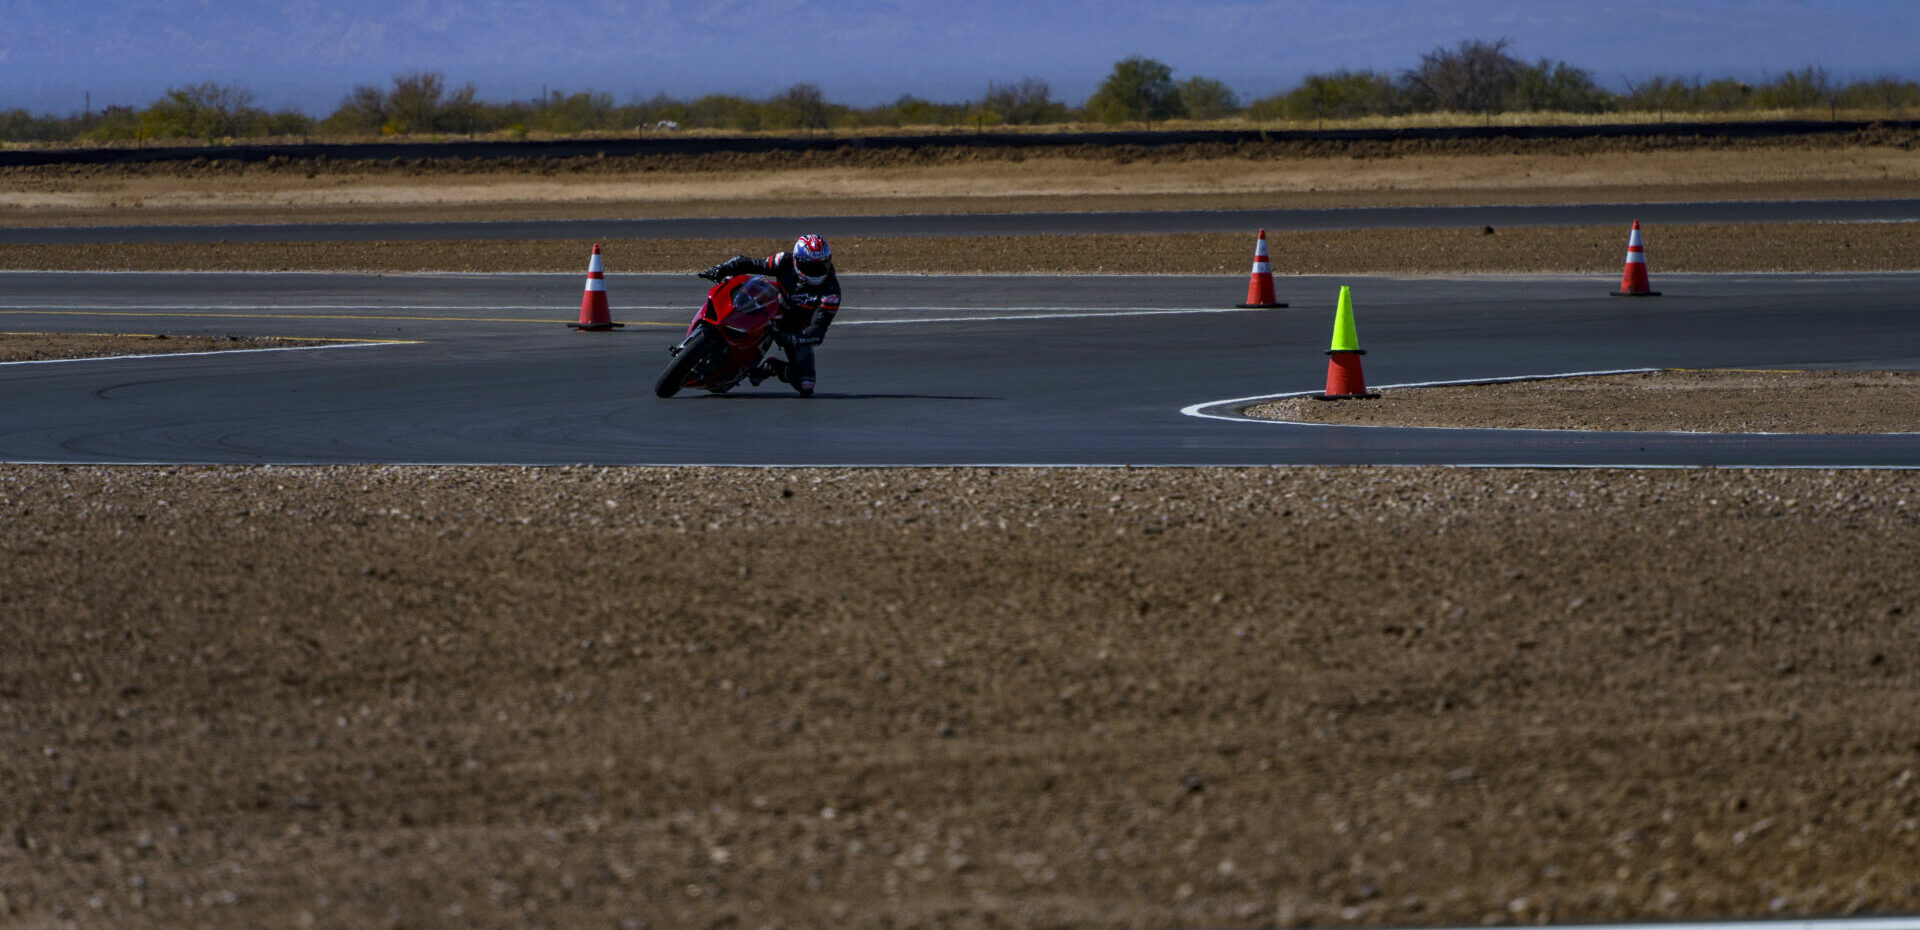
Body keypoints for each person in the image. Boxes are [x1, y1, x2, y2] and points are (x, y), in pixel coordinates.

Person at [699, 235, 841, 396]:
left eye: (821, 265)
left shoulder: (831, 292)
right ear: (797, 261)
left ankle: (771, 367)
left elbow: (818, 332)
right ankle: (711, 325)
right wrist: (722, 268)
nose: (815, 271)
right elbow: (750, 263)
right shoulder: (783, 261)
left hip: (796, 329)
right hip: (773, 305)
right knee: (739, 290)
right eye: (809, 266)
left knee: (806, 384)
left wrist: (792, 338)